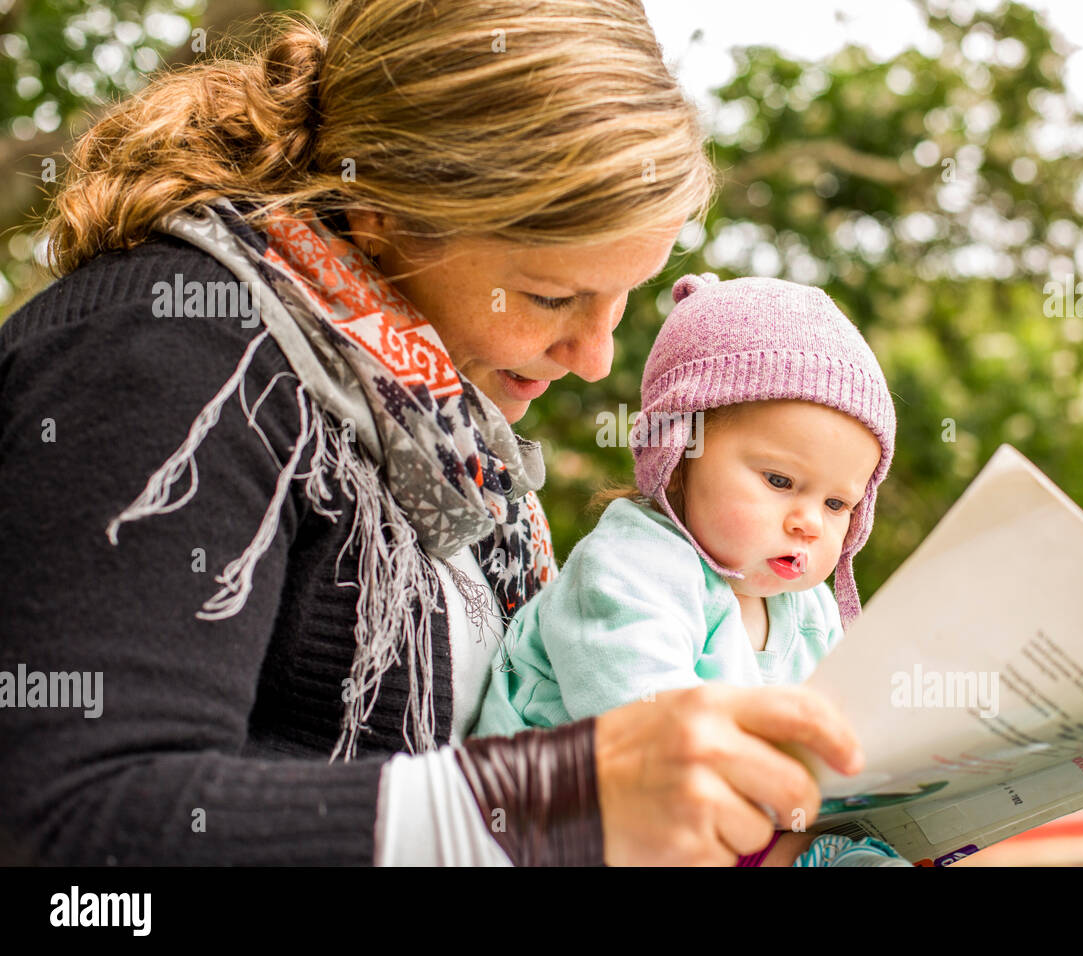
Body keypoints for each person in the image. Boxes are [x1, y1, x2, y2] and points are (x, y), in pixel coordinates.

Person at [0, 0, 866, 866]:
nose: (596, 358)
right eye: (552, 296)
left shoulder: (441, 446)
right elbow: (68, 824)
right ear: (380, 204)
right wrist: (549, 804)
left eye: (623, 295)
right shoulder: (166, 354)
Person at [472, 272, 910, 866]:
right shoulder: (632, 565)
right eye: (780, 481)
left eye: (838, 504)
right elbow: (651, 733)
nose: (810, 522)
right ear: (677, 453)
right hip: (547, 830)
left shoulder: (807, 608)